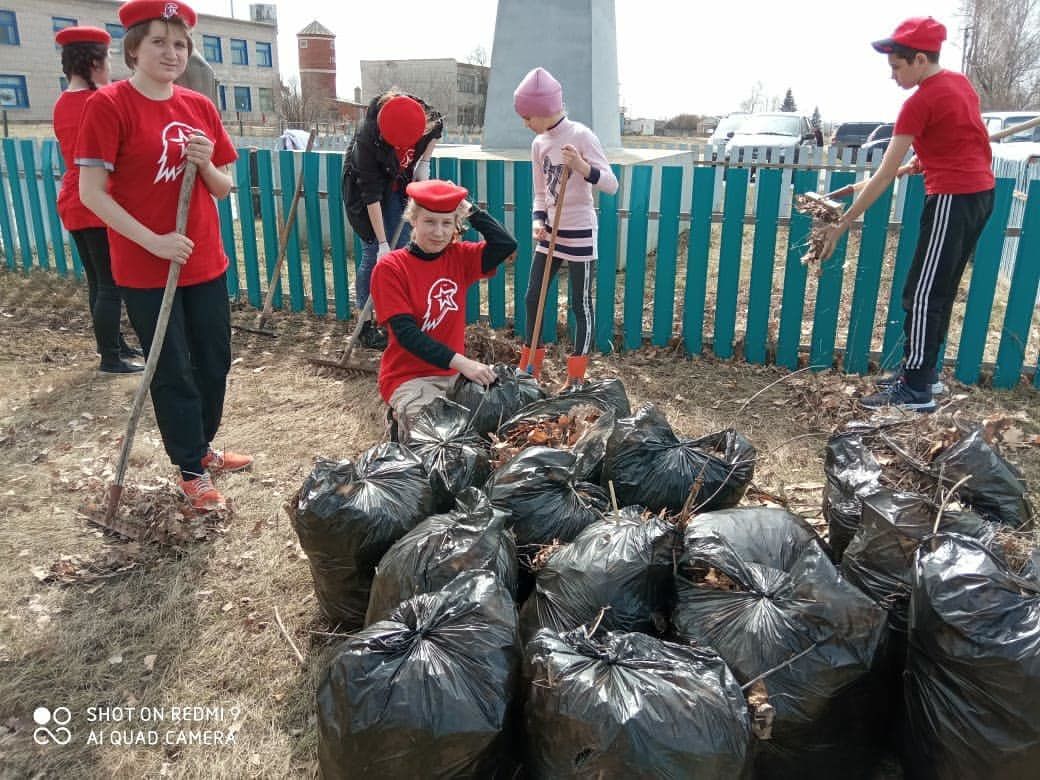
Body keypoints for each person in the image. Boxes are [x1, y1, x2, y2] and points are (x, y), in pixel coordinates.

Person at [77, 0, 252, 510]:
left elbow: (225, 187)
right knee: (171, 366)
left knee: (214, 359)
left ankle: (204, 446)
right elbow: (93, 193)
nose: (171, 52)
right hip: (146, 267)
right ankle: (191, 468)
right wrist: (152, 241)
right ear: (133, 48)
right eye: (159, 41)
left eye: (179, 44)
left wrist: (205, 164)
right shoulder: (109, 105)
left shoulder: (199, 108)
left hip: (204, 260)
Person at [819, 17, 994, 413]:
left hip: (953, 196)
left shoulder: (919, 101)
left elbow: (882, 176)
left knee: (922, 293)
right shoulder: (958, 84)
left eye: (897, 67)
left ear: (918, 59)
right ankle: (924, 375)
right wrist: (924, 159)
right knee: (938, 289)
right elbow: (961, 138)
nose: (893, 76)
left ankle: (915, 389)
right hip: (978, 194)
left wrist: (844, 222)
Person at [370, 179, 517, 439]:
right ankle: (398, 421)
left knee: (495, 428)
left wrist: (468, 208)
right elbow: (407, 335)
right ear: (413, 220)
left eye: (446, 223)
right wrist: (464, 363)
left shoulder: (459, 257)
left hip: (454, 375)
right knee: (440, 440)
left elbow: (505, 245)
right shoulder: (391, 268)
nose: (438, 232)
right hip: (409, 378)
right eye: (429, 221)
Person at [512, 67, 619, 388]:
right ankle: (530, 365)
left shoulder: (582, 136)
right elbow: (540, 191)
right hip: (550, 234)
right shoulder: (539, 143)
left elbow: (611, 185)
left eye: (527, 115)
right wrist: (537, 221)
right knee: (534, 296)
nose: (524, 123)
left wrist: (582, 167)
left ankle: (576, 376)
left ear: (544, 110)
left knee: (579, 302)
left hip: (580, 232)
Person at [53, 26, 143, 375]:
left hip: (73, 201)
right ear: (93, 61)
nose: (109, 66)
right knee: (111, 283)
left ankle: (114, 345)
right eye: (105, 59)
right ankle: (110, 357)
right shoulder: (98, 101)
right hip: (97, 202)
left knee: (96, 280)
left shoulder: (63, 102)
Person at [342, 92, 443, 349]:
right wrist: (383, 242)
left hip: (401, 181)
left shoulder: (422, 116)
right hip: (370, 190)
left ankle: (397, 320)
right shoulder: (366, 141)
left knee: (404, 251)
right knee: (375, 251)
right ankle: (364, 324)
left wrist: (424, 162)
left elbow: (438, 126)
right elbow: (370, 195)